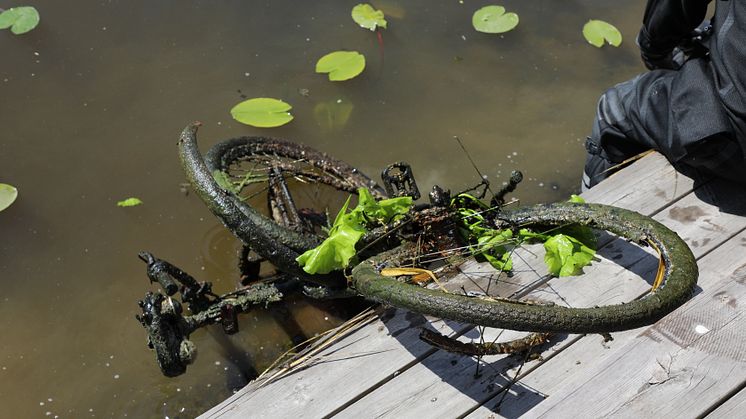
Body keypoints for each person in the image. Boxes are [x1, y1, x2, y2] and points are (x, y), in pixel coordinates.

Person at [582, 0, 746, 191]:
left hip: (738, 144)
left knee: (613, 109)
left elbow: (670, 10)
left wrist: (652, 48)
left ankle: (586, 211)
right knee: (704, 36)